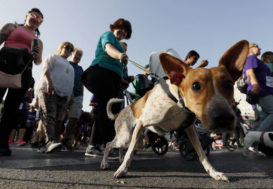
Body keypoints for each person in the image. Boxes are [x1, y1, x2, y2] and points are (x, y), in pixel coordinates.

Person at [82, 18, 132, 157]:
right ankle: (108, 145)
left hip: (114, 80)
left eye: (126, 31)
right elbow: (108, 48)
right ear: (114, 27)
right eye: (120, 28)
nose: (123, 31)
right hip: (100, 72)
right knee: (107, 109)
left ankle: (93, 146)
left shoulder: (122, 49)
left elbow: (118, 69)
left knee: (111, 110)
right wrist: (120, 55)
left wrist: (123, 80)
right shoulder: (108, 36)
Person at [0, 8, 43, 156]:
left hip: (24, 71)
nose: (36, 18)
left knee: (11, 109)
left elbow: (38, 62)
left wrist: (36, 54)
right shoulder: (12, 27)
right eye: (34, 15)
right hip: (4, 63)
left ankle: (2, 143)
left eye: (39, 18)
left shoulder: (38, 41)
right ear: (26, 16)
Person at [35, 41, 75, 153]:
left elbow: (71, 82)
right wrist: (49, 83)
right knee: (49, 115)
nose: (68, 50)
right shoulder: (53, 57)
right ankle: (49, 142)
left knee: (56, 118)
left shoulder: (70, 66)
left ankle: (42, 144)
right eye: (67, 47)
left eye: (71, 49)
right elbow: (45, 68)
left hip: (63, 95)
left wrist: (70, 95)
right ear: (61, 48)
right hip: (49, 89)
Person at [243, 42, 273, 132]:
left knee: (264, 118)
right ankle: (256, 137)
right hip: (262, 91)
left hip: (263, 91)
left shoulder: (255, 59)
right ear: (250, 48)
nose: (259, 49)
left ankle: (258, 142)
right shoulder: (251, 57)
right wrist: (255, 86)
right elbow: (249, 72)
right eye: (257, 47)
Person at [62, 48, 84, 150]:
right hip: (66, 93)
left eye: (80, 56)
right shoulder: (66, 64)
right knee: (60, 117)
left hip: (78, 95)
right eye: (76, 54)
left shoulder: (81, 69)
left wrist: (82, 97)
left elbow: (82, 83)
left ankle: (66, 140)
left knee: (74, 119)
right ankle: (54, 138)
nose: (78, 57)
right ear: (71, 54)